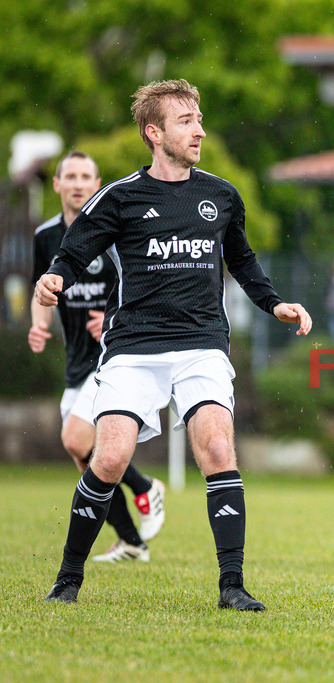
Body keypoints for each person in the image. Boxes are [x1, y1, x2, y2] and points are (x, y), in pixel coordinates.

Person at [36, 79, 312, 610]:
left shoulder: (221, 196)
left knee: (216, 446)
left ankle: (232, 586)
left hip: (201, 345)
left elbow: (244, 262)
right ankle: (68, 578)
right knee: (110, 455)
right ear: (153, 132)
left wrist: (274, 303)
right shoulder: (118, 198)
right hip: (133, 348)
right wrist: (54, 279)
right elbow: (71, 255)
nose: (199, 129)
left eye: (199, 118)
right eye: (186, 120)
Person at [29, 150, 166, 562]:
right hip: (76, 362)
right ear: (57, 185)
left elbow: (139, 287)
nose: (77, 183)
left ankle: (143, 487)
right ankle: (131, 541)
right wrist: (40, 322)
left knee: (74, 437)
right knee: (83, 454)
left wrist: (108, 320)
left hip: (113, 355)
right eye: (69, 176)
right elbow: (44, 286)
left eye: (85, 176)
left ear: (97, 183)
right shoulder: (45, 237)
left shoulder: (112, 230)